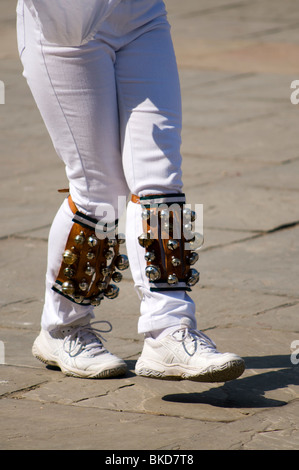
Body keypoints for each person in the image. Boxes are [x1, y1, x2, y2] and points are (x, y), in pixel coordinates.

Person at [16, 0, 245, 381]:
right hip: (65, 26)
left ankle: (169, 332)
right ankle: (62, 328)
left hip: (141, 15)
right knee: (99, 192)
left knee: (161, 178)